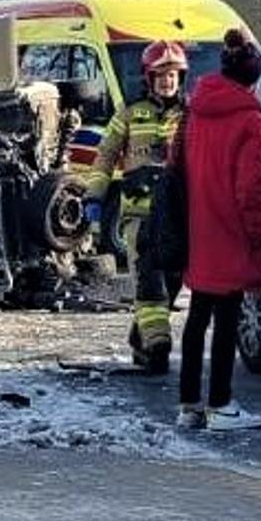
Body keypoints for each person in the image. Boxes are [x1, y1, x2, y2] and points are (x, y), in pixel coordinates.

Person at [175, 29, 261, 432]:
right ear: (253, 80)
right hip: (232, 232)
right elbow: (251, 189)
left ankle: (188, 405)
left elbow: (176, 164)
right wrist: (260, 239)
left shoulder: (196, 110)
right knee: (227, 320)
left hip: (199, 228)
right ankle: (220, 403)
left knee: (197, 317)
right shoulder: (251, 119)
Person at [82, 40, 189, 373]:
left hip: (176, 215)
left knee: (172, 282)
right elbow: (105, 156)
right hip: (139, 215)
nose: (167, 81)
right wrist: (94, 196)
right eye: (160, 75)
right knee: (149, 279)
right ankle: (158, 345)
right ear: (148, 77)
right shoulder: (129, 113)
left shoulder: (190, 115)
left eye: (172, 75)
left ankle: (140, 338)